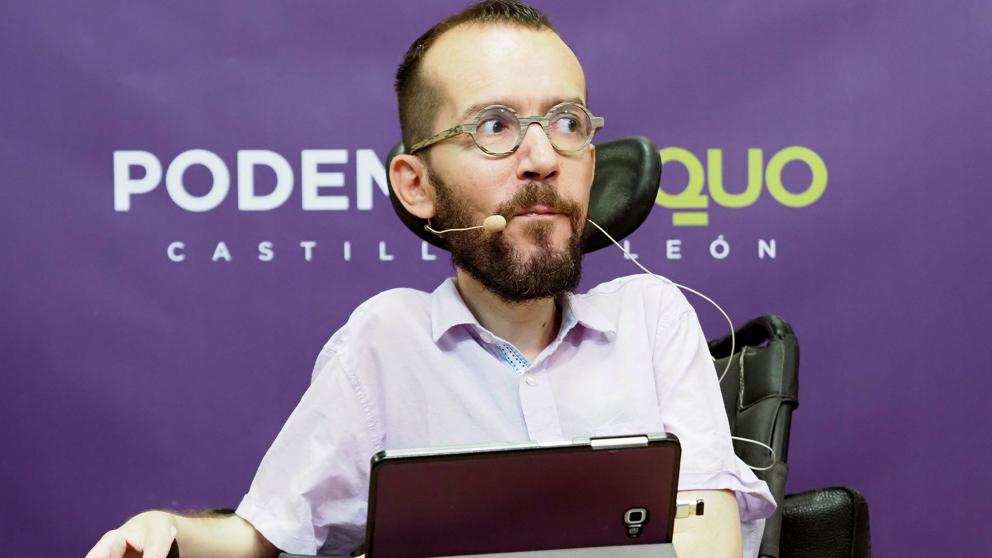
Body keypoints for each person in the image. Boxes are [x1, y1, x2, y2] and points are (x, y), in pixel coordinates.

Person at [86, 2, 775, 557]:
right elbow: (260, 536)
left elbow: (709, 539)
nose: (542, 157)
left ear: (591, 162)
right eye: (495, 126)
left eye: (567, 122)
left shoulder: (652, 319)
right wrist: (168, 532)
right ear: (416, 185)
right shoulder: (385, 343)